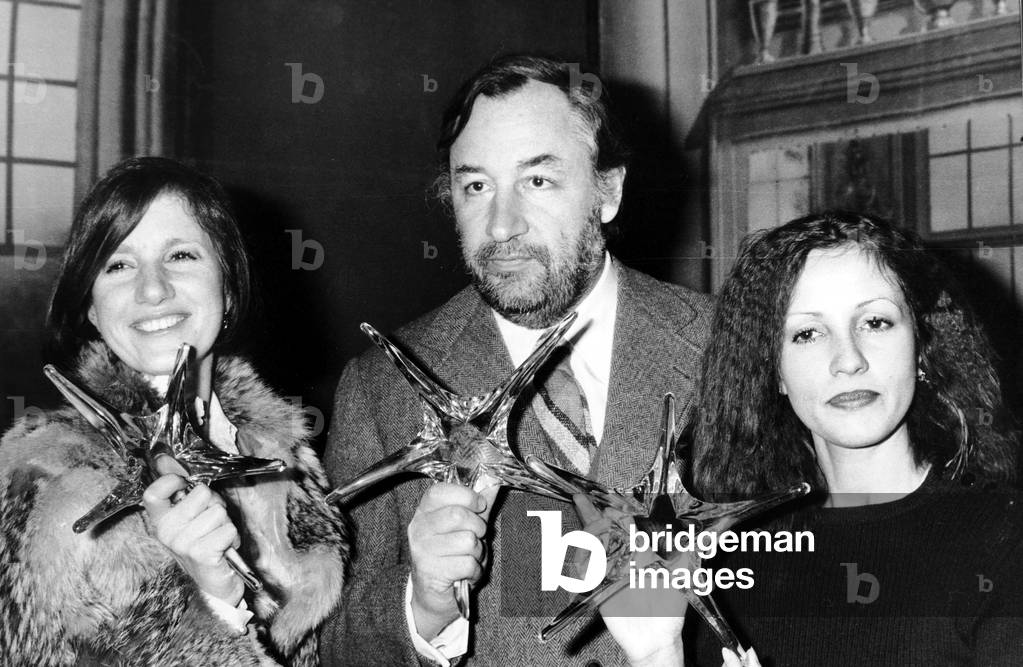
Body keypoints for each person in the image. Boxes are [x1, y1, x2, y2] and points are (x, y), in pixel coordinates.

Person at [319, 55, 713, 665]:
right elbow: (336, 645)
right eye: (476, 186)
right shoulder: (379, 390)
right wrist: (422, 604)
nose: (501, 227)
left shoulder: (725, 347)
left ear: (608, 191)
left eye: (537, 180)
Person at [0, 157, 350, 665]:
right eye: (118, 265)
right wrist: (212, 602)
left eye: (181, 255)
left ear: (228, 288)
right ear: (92, 309)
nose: (152, 289)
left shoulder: (278, 452)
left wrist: (428, 607)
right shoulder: (46, 480)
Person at [674, 212, 1022, 665]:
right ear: (774, 373)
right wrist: (658, 651)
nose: (848, 360)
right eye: (808, 333)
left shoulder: (1005, 541)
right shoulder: (736, 559)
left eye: (875, 322)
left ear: (921, 345)